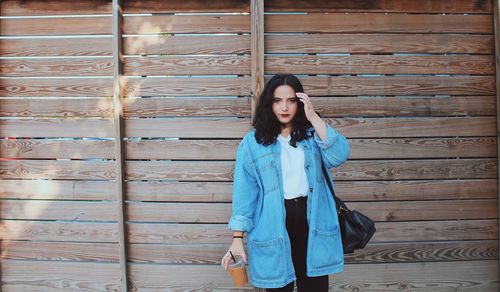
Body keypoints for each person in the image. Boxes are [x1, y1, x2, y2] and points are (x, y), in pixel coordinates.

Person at [220, 74, 350, 291]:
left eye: (291, 101)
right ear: (269, 104)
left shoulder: (312, 135)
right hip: (274, 223)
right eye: (277, 101)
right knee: (278, 286)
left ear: (299, 103)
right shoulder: (253, 143)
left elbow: (340, 154)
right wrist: (237, 238)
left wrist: (314, 117)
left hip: (312, 220)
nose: (284, 107)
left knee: (315, 287)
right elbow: (245, 193)